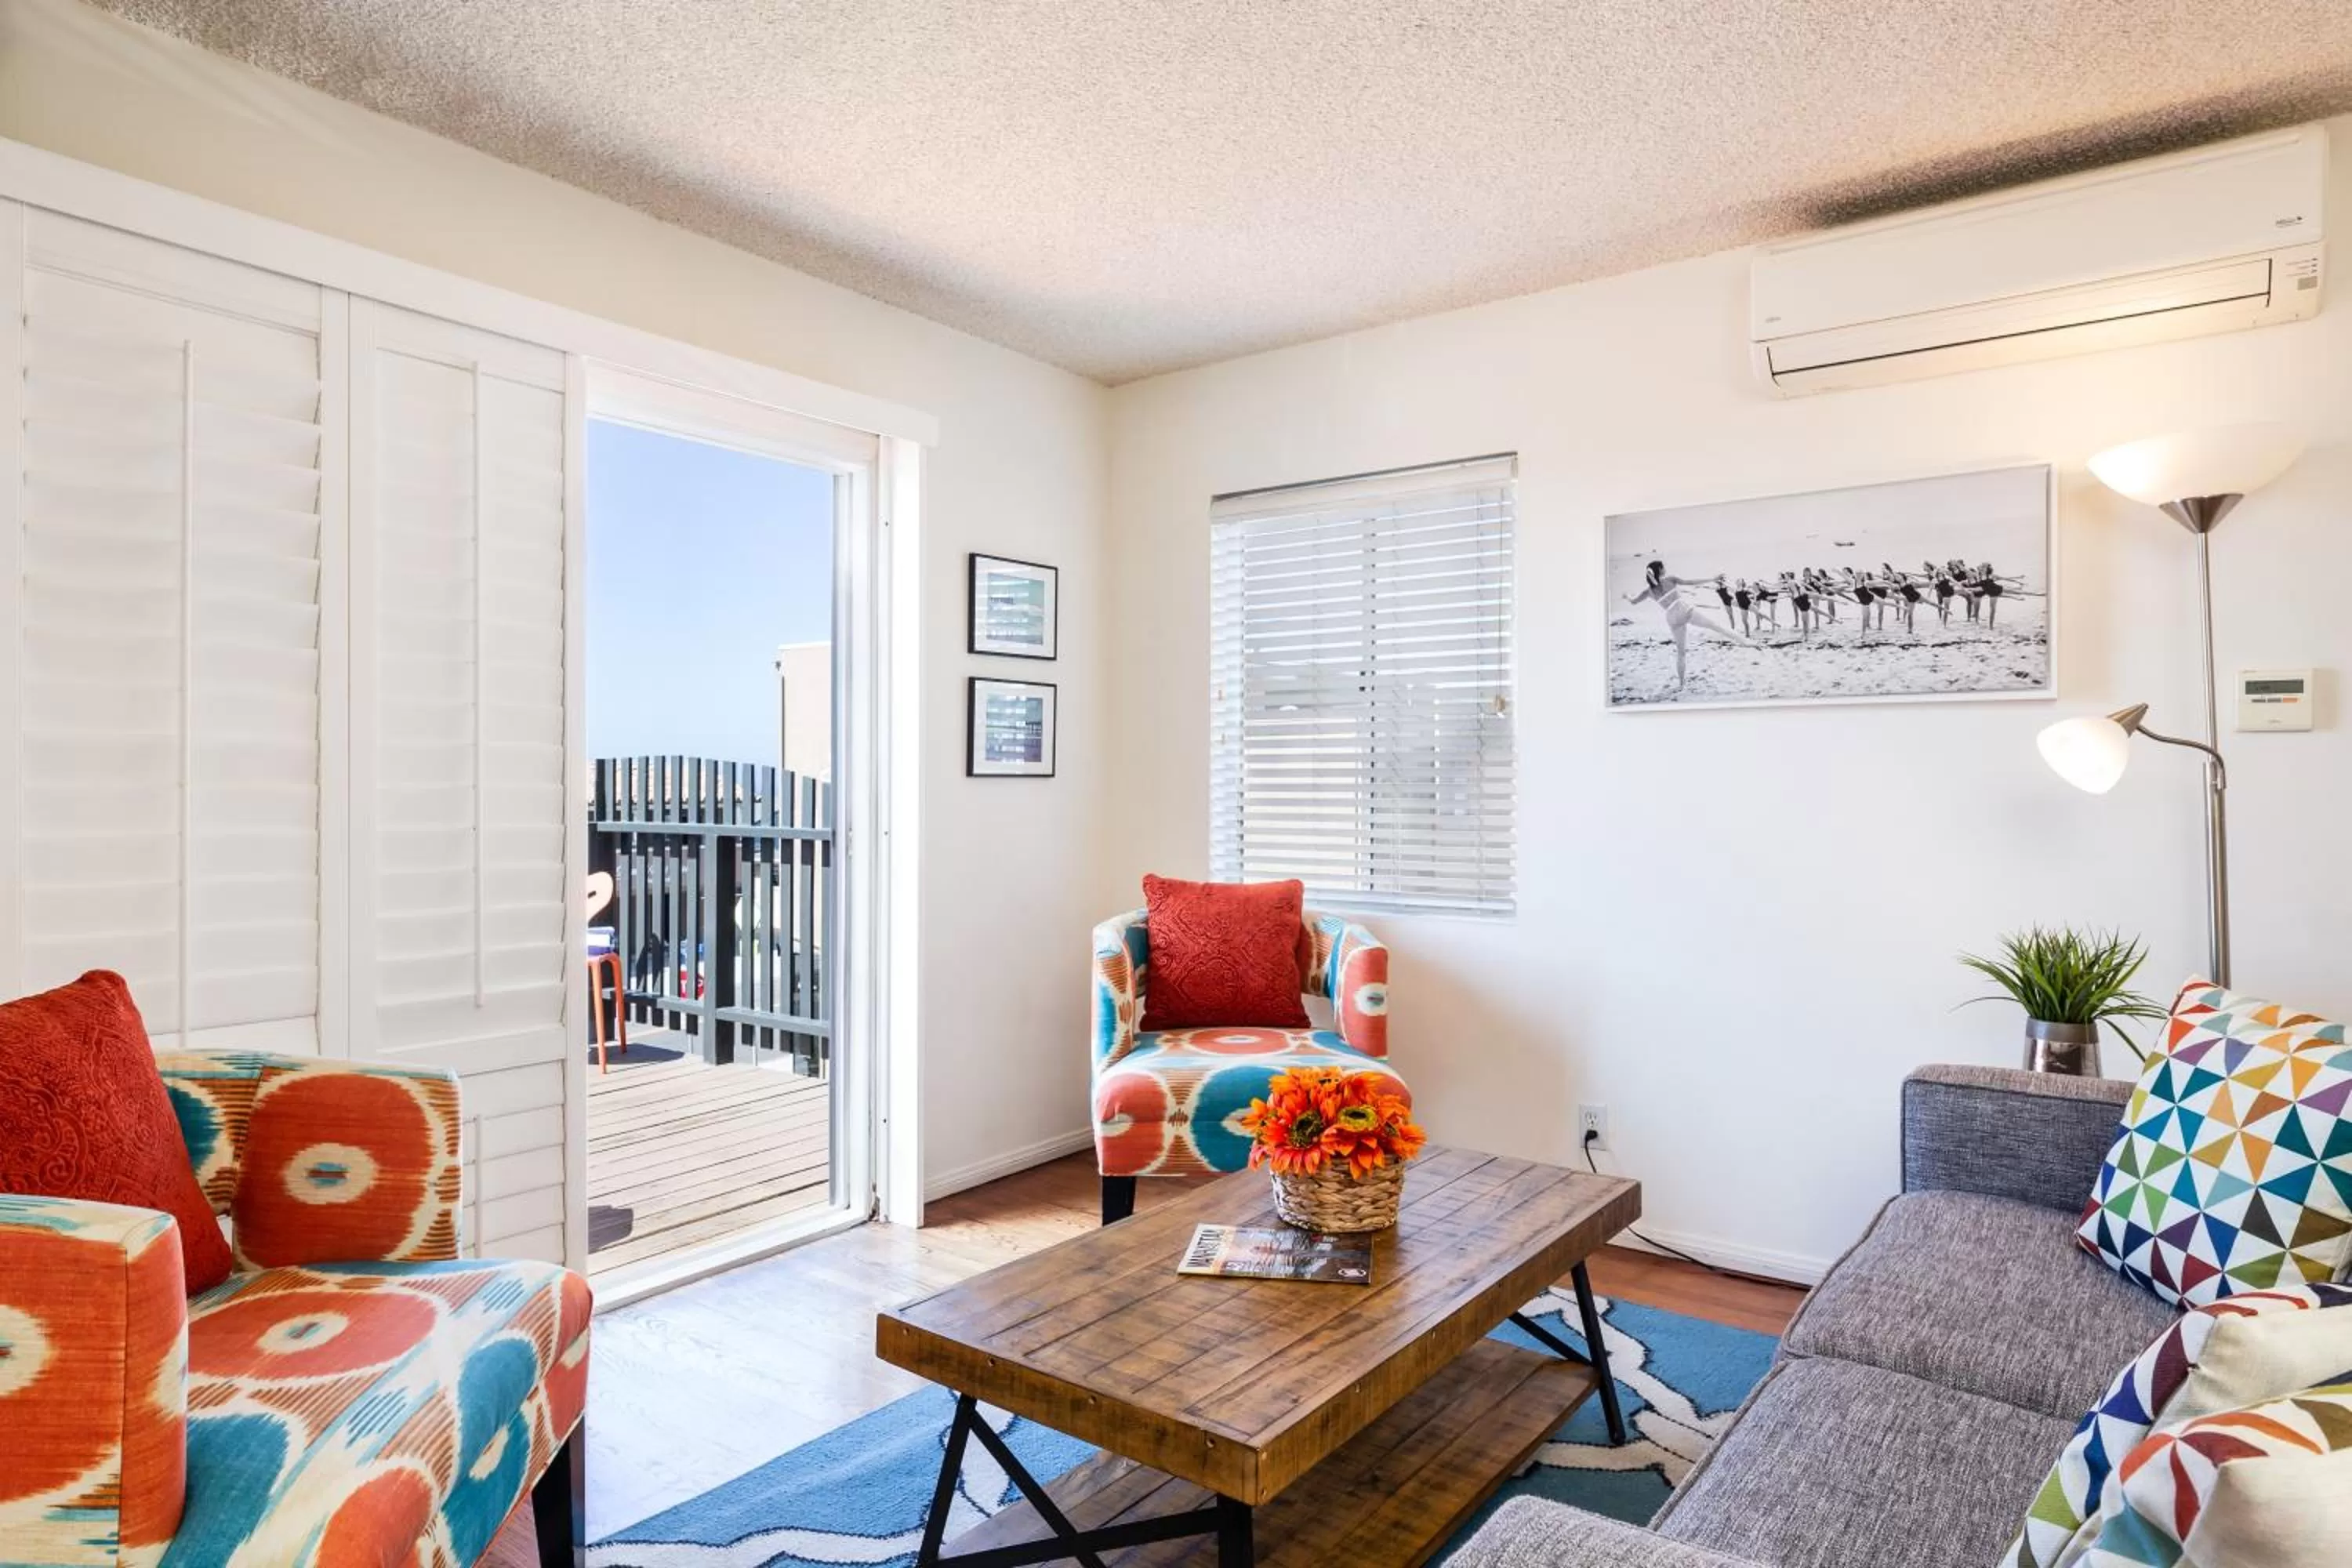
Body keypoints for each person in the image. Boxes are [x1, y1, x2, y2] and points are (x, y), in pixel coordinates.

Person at [1626, 560, 1748, 696]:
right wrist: (1712, 579)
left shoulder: (1648, 591)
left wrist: (1627, 596)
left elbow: (1633, 602)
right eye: (1663, 567)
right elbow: (1691, 582)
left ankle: (1682, 683)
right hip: (1682, 609)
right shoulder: (1670, 579)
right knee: (1716, 626)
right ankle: (1745, 642)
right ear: (1660, 570)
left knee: (1681, 653)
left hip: (1671, 617)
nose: (1665, 568)